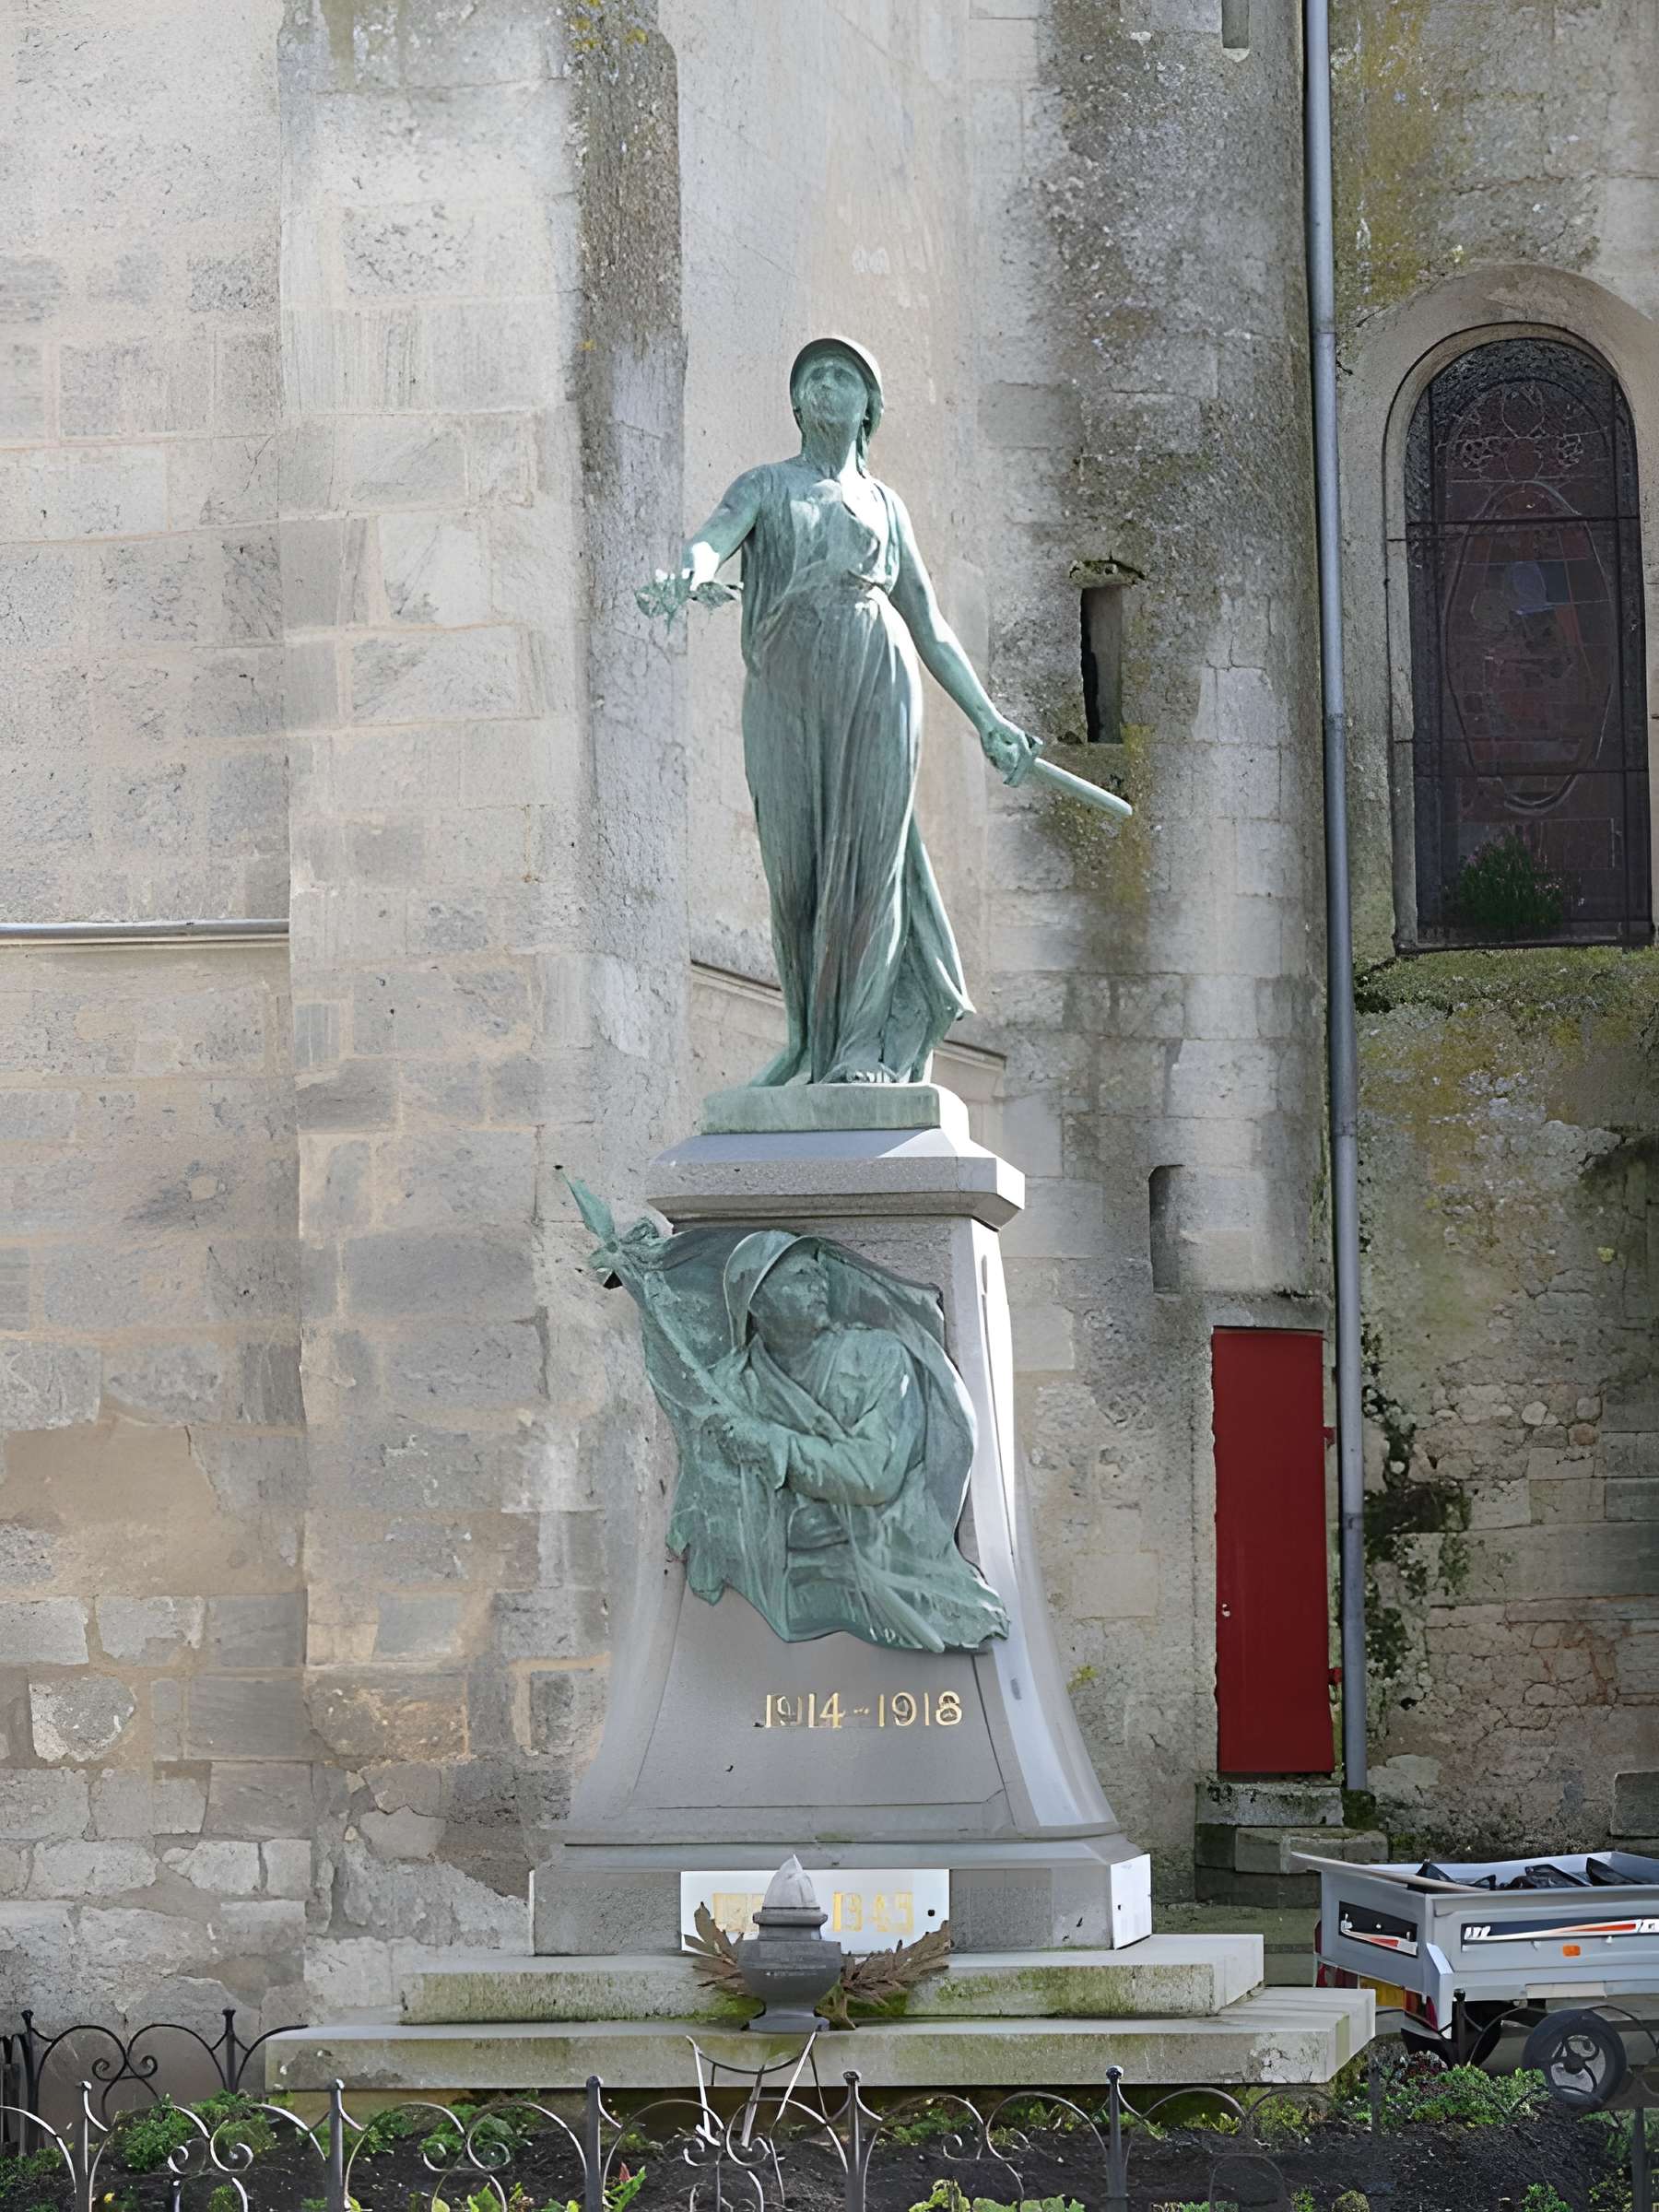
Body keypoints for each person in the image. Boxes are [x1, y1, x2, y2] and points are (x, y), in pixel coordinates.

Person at [676, 336, 1036, 1087]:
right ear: (797, 403)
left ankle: (861, 1048)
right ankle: (807, 1039)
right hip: (784, 688)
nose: (828, 387)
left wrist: (989, 721)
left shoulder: (883, 505)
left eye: (845, 377)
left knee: (872, 864)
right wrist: (691, 571)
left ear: (871, 407)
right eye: (814, 378)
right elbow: (713, 538)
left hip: (878, 677)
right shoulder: (766, 485)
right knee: (795, 875)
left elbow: (932, 626)